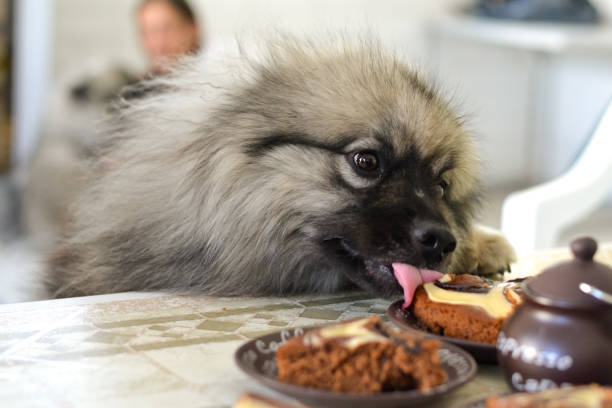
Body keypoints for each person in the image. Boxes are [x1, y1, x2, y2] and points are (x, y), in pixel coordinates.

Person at [136, 0, 203, 75]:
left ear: (193, 29)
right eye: (146, 32)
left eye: (166, 29)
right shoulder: (135, 84)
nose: (157, 44)